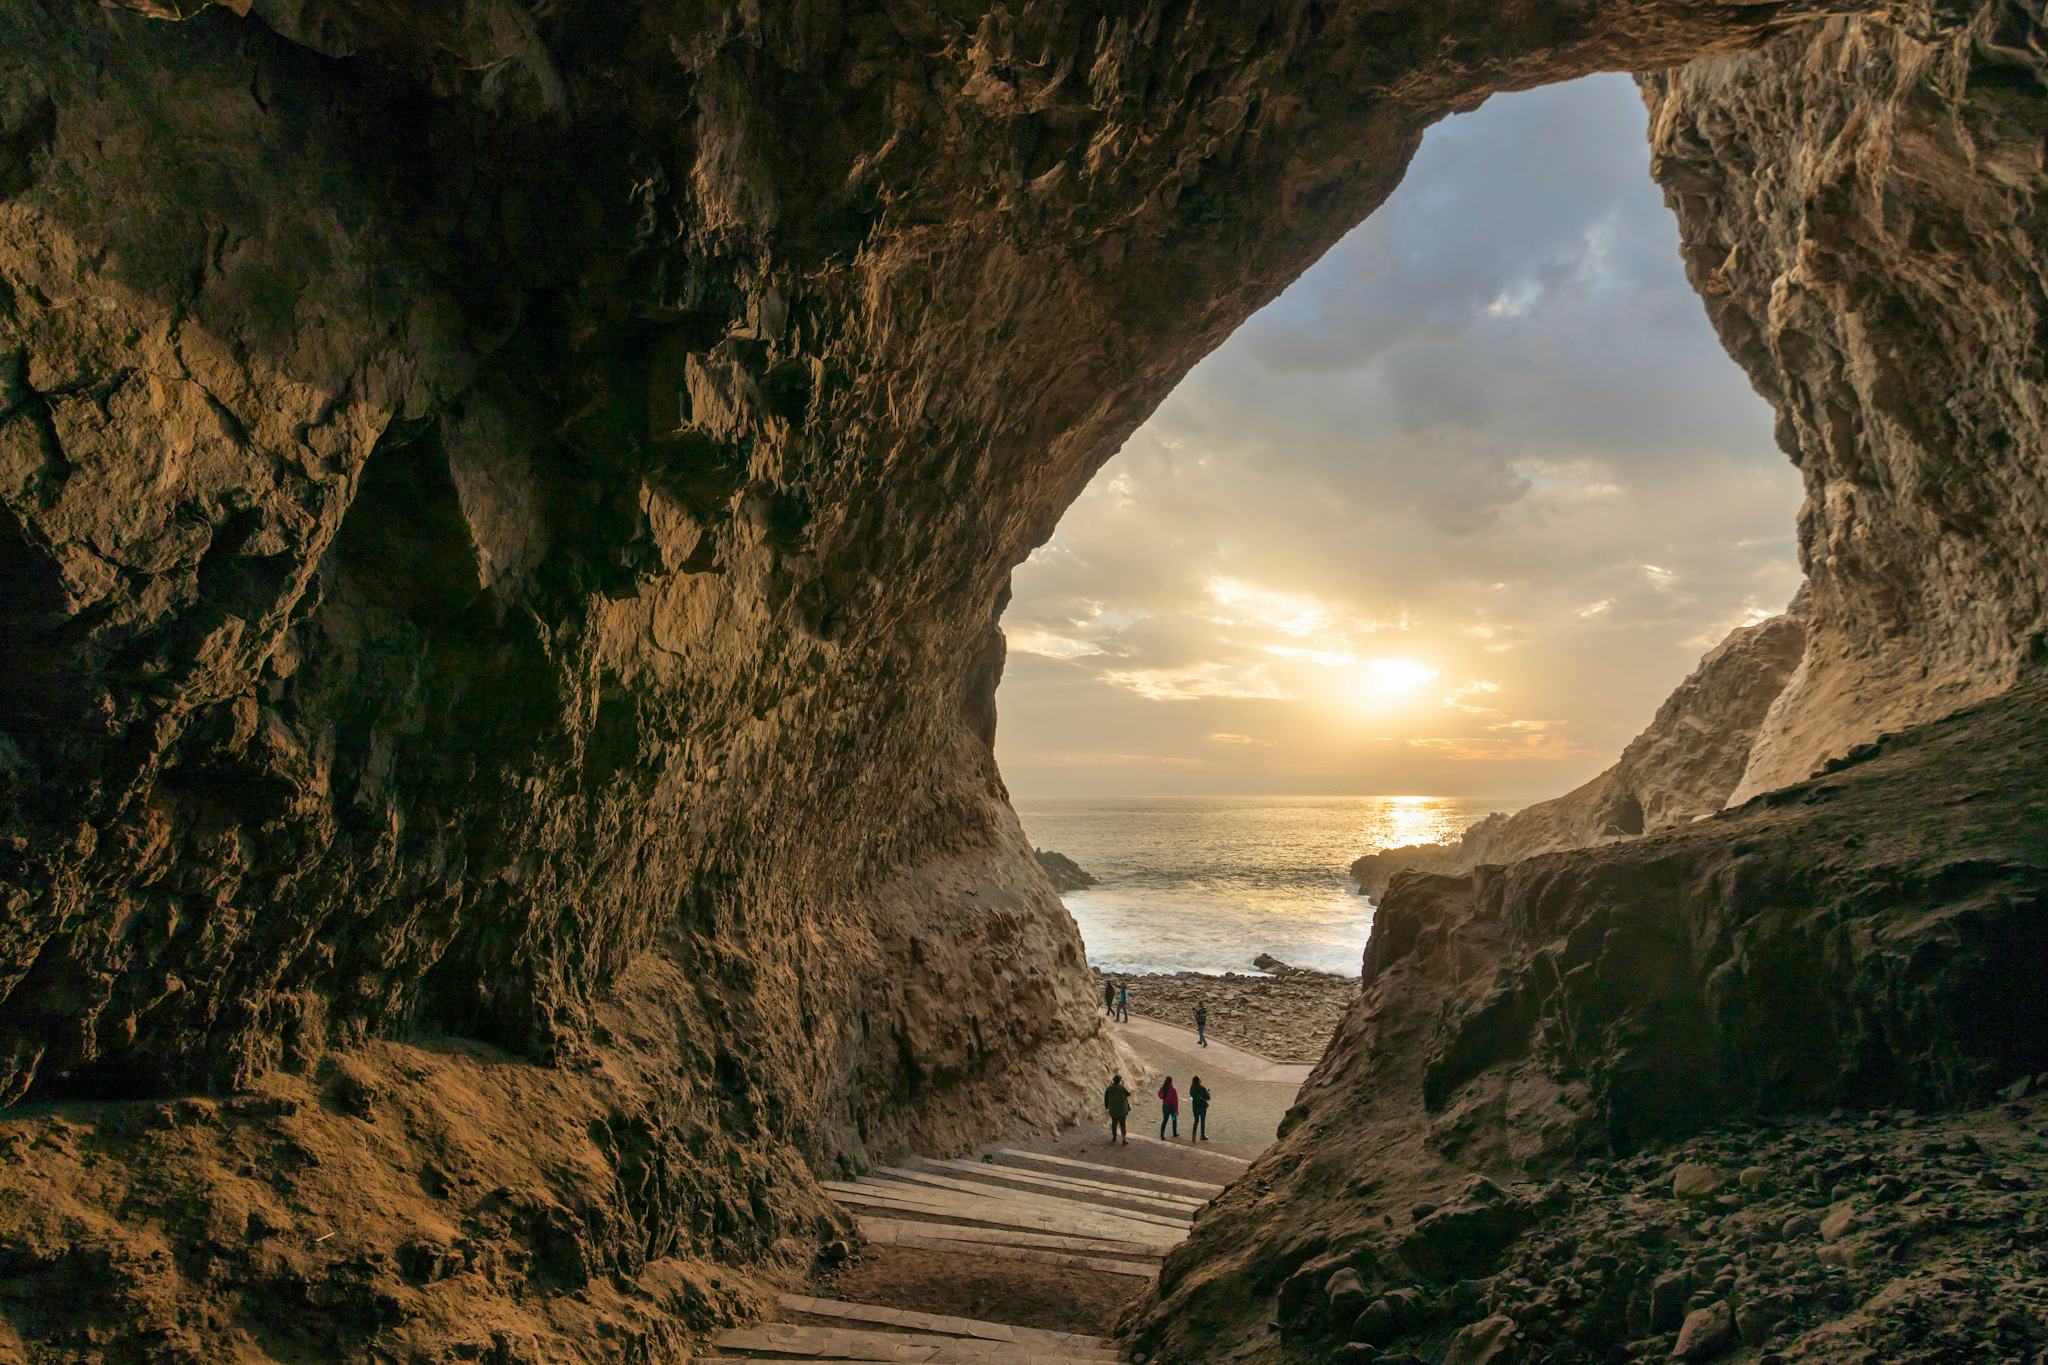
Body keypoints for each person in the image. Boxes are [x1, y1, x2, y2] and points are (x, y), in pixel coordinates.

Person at [1104, 1073, 1132, 1145]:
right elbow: (1128, 1094)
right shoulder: (1122, 1087)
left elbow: (1106, 1098)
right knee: (1123, 1125)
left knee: (1114, 1123)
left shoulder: (1109, 1088)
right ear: (1119, 1081)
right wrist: (1123, 1085)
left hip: (1113, 1110)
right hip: (1122, 1110)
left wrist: (1107, 1106)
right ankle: (1124, 1140)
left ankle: (1114, 1137)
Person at [1189, 1075, 1210, 1141]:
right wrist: (1207, 1091)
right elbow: (1208, 1098)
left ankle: (1193, 1135)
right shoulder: (1202, 1088)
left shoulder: (1192, 1088)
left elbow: (1191, 1096)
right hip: (1202, 1107)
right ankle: (1202, 1135)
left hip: (1195, 1107)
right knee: (1202, 1121)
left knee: (1196, 1121)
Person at [1157, 1075, 1180, 1139]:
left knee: (1165, 1120)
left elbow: (1159, 1095)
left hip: (1165, 1107)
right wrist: (1176, 1109)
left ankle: (1162, 1135)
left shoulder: (1163, 1088)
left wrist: (1162, 1098)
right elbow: (1175, 1100)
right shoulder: (1173, 1090)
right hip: (1172, 1108)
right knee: (1174, 1120)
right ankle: (1174, 1133)